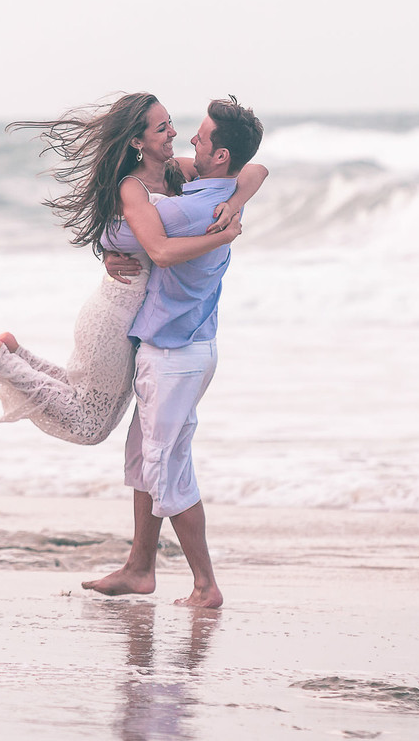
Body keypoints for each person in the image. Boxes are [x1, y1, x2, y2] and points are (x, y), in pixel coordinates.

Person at [0, 93, 267, 449]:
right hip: (115, 317)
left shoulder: (179, 172)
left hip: (136, 320)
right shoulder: (132, 186)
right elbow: (158, 250)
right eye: (162, 128)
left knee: (84, 400)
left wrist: (232, 204)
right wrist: (225, 235)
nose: (175, 132)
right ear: (137, 141)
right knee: (91, 425)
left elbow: (253, 170)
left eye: (170, 122)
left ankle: (11, 351)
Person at [82, 96, 265, 609]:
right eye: (167, 128)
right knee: (146, 456)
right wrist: (232, 210)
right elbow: (260, 169)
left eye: (197, 137)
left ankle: (206, 586)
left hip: (173, 354)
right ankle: (140, 568)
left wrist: (113, 242)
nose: (185, 139)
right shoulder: (212, 188)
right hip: (188, 346)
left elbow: (155, 246)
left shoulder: (185, 204)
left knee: (167, 464)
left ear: (220, 156)